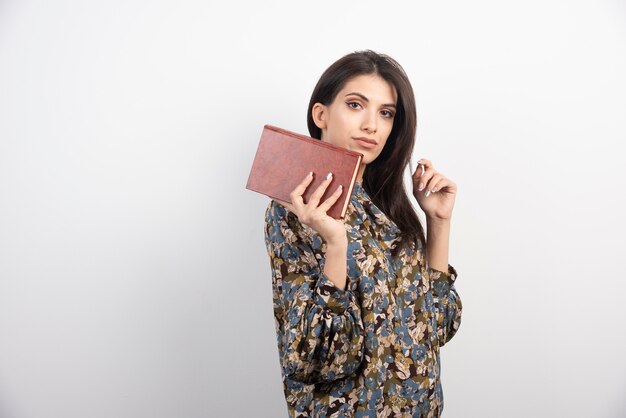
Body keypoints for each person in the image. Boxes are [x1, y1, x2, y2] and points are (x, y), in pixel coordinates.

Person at [264, 50, 462, 418]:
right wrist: (336, 244)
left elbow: (435, 329)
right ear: (320, 114)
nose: (372, 124)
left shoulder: (388, 206)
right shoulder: (295, 209)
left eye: (386, 113)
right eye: (356, 105)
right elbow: (317, 361)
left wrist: (438, 221)